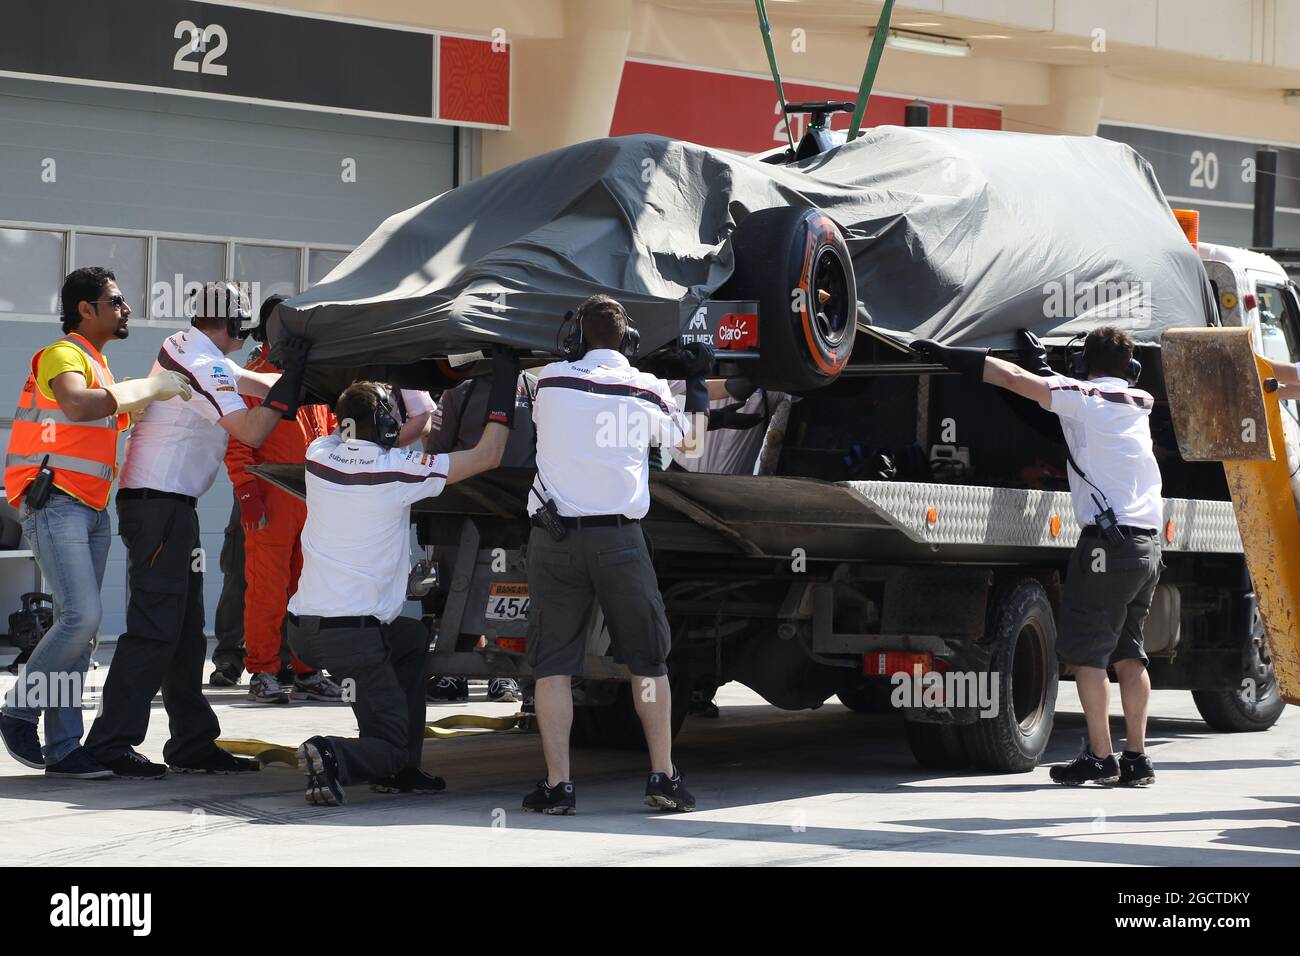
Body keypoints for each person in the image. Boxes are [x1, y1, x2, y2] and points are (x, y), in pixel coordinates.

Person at [912, 325, 1161, 787]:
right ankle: (1137, 759)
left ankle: (1100, 758)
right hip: (1147, 546)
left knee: (1089, 655)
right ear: (1131, 369)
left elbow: (1011, 379)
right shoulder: (1140, 402)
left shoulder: (1084, 396)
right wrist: (1045, 369)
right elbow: (1065, 403)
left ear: (1085, 366)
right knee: (1130, 656)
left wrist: (952, 355)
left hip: (1108, 545)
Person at [84, 281, 312, 779]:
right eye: (242, 330)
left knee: (186, 632)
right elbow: (253, 429)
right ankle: (110, 742)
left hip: (170, 506)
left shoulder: (198, 351)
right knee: (155, 627)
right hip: (158, 506)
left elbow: (262, 388)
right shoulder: (203, 363)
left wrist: (307, 375)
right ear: (229, 324)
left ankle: (191, 743)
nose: (246, 340)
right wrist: (295, 376)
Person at [288, 348, 518, 806]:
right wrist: (506, 379)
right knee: (388, 749)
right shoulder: (397, 469)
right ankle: (335, 754)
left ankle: (405, 767)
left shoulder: (319, 454)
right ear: (390, 428)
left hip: (304, 631)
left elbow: (356, 423)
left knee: (411, 639)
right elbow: (489, 454)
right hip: (352, 636)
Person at [522, 294, 711, 815]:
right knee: (647, 663)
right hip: (621, 541)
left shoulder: (549, 383)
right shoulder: (645, 388)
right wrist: (694, 380)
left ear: (576, 337)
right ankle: (662, 777)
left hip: (554, 540)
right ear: (628, 341)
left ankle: (558, 786)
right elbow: (690, 448)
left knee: (553, 666)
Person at [0, 268, 190, 779]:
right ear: (87, 309)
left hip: (89, 509)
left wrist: (156, 394)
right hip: (55, 501)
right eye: (116, 300)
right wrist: (150, 386)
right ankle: (19, 706)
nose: (126, 309)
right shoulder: (64, 354)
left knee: (79, 632)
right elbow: (76, 405)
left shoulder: (101, 366)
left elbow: (112, 413)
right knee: (80, 618)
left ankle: (64, 750)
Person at [222, 293, 341, 705]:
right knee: (267, 590)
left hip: (309, 501)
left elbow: (327, 437)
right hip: (271, 499)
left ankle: (307, 671)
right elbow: (238, 441)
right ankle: (264, 670)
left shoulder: (311, 381)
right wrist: (248, 490)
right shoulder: (253, 376)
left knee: (308, 589)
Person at [425, 368, 536, 705]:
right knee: (462, 591)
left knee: (514, 593)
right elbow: (438, 452)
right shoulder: (460, 393)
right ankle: (452, 673)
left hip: (519, 517)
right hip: (467, 516)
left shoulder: (537, 390)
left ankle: (506, 675)